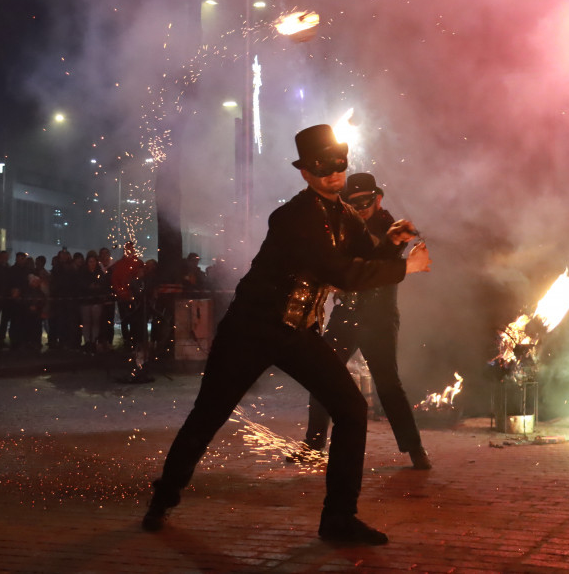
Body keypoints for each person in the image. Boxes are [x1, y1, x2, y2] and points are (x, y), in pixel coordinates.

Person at [142, 124, 431, 545]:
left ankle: (338, 518)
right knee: (209, 414)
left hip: (298, 331)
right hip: (251, 330)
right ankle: (162, 500)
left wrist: (390, 242)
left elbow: (362, 254)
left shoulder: (344, 215)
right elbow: (342, 273)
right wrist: (406, 267)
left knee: (350, 409)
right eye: (321, 166)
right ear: (305, 172)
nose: (333, 173)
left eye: (338, 164)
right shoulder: (295, 216)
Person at [293, 173, 431, 470]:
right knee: (322, 373)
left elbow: (381, 260)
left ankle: (415, 448)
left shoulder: (387, 226)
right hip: (347, 314)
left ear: (377, 199)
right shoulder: (345, 226)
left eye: (366, 202)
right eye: (354, 203)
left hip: (379, 316)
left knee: (388, 383)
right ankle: (314, 444)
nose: (362, 207)